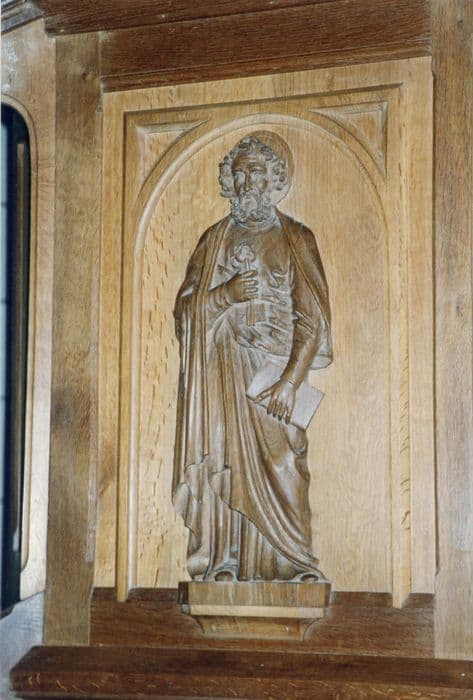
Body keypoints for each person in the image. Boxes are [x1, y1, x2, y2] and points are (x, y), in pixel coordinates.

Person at [173, 132, 332, 582]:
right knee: (225, 461)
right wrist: (225, 294)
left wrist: (290, 382)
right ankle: (224, 561)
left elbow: (311, 321)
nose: (246, 183)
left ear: (274, 179)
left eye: (256, 173)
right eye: (238, 174)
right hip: (223, 377)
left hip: (273, 378)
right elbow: (186, 312)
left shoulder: (296, 238)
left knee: (284, 464)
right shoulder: (214, 240)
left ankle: (294, 562)